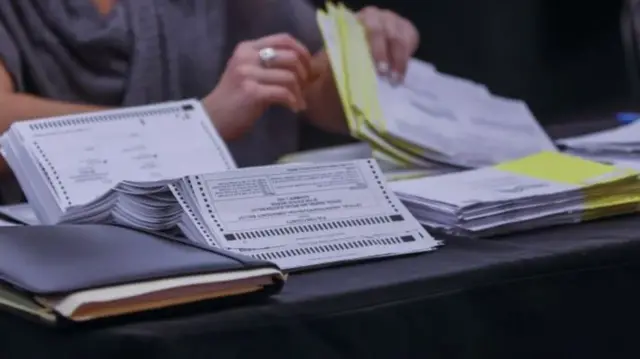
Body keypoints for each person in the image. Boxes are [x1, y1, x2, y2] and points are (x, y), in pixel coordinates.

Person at [0, 0, 419, 170]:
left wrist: (366, 54)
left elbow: (311, 85)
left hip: (240, 246)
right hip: (61, 264)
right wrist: (194, 125)